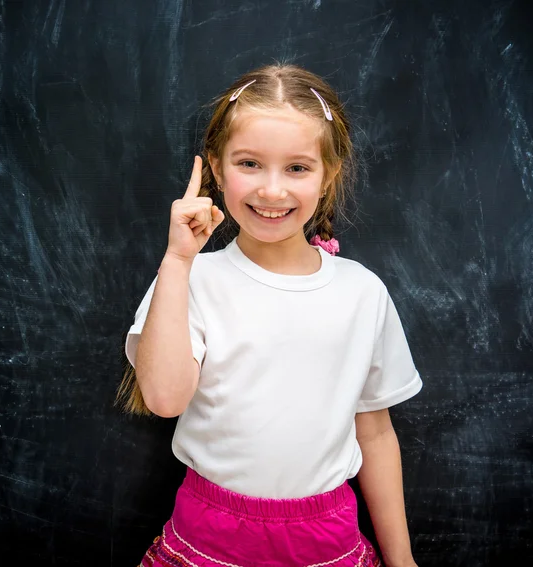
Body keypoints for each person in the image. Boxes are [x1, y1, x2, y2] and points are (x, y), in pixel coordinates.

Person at [117, 63, 423, 567]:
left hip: (328, 537)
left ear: (329, 176)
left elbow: (374, 432)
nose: (272, 191)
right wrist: (177, 262)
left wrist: (402, 558)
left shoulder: (361, 292)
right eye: (249, 164)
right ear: (215, 168)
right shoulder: (192, 279)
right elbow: (166, 399)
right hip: (208, 534)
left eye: (298, 168)